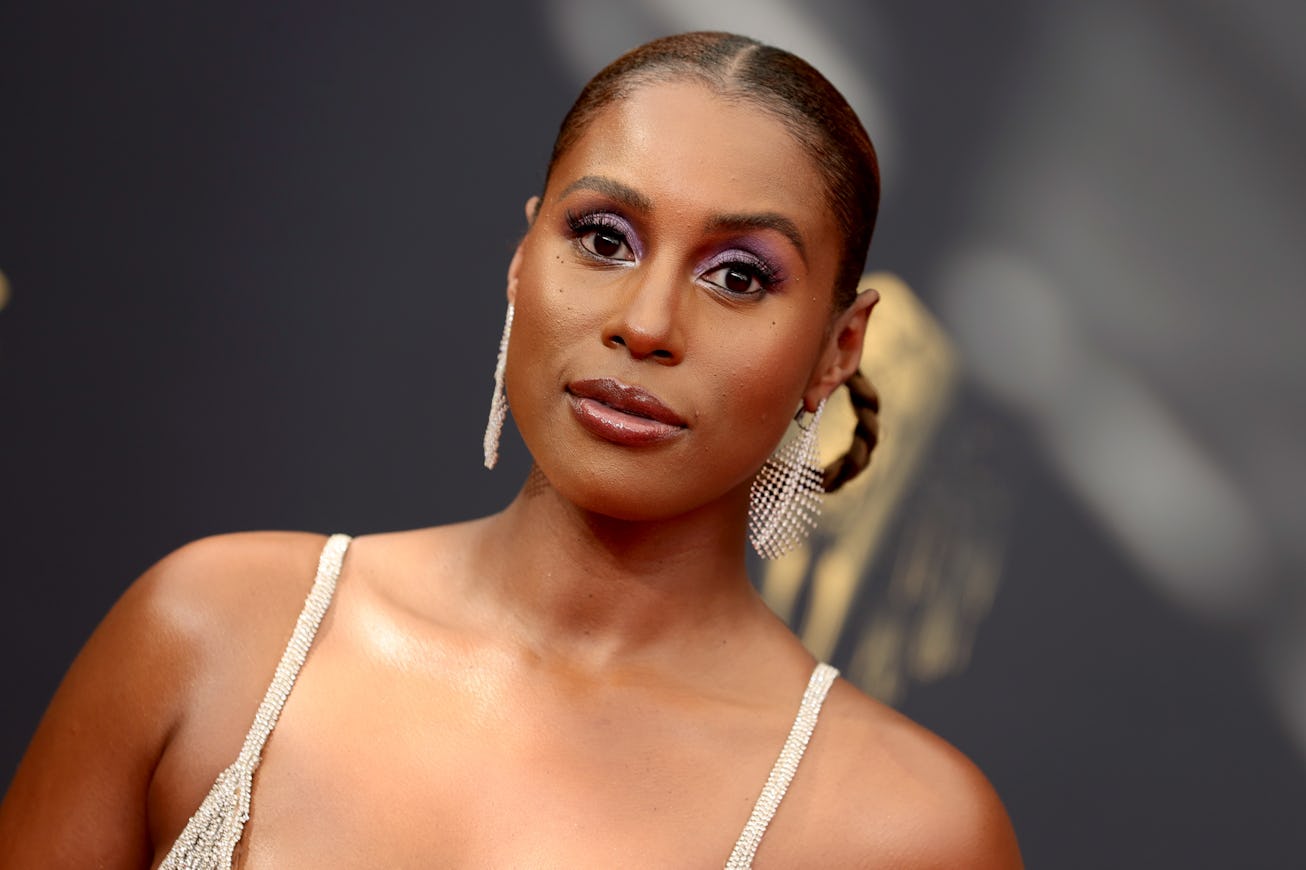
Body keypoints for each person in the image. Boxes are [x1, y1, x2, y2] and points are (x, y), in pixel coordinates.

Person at [0, 31, 1022, 868]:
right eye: (604, 238)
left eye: (739, 277)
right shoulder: (213, 633)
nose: (645, 323)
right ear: (523, 259)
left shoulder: (901, 829)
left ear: (837, 348)